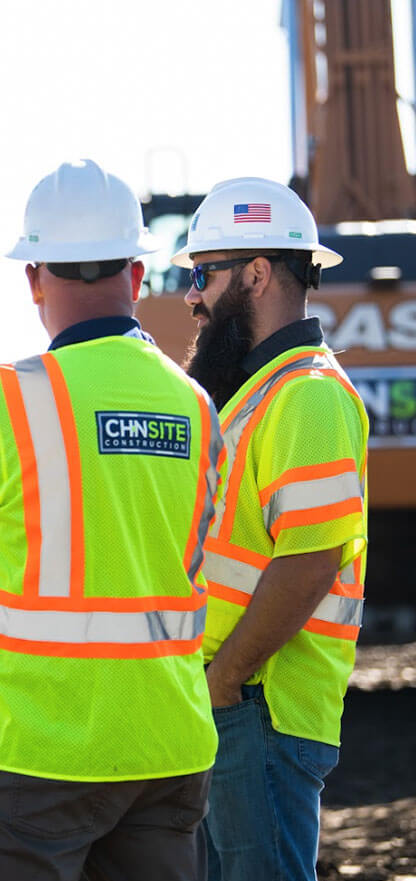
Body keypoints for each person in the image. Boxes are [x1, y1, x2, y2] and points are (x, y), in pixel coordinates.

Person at [0, 160, 223, 881]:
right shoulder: (197, 408)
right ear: (136, 276)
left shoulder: (1, 401)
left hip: (29, 757)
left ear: (34, 279)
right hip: (166, 748)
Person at [172, 177, 369, 881]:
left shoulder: (306, 394)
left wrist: (224, 678)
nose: (190, 295)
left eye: (201, 273)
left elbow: (311, 561)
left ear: (256, 275)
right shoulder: (258, 391)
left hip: (260, 706)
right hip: (237, 704)